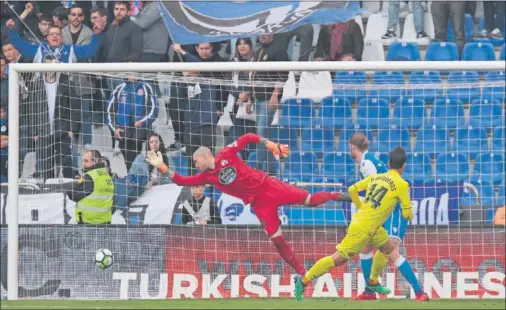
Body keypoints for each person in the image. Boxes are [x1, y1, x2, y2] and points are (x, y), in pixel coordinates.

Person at [145, 133, 350, 277]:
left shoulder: (226, 154)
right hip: (260, 204)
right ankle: (302, 273)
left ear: (204, 156)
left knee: (310, 202)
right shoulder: (208, 176)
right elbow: (181, 181)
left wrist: (270, 145)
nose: (195, 164)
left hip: (268, 186)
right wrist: (162, 167)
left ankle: (337, 195)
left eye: (196, 161)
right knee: (277, 239)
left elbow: (248, 137)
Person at [294, 147, 416, 301]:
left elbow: (352, 189)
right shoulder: (401, 183)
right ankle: (303, 280)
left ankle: (373, 283)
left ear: (389, 163)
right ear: (404, 165)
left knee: (388, 249)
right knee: (338, 259)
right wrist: (409, 213)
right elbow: (406, 214)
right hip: (362, 227)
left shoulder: (377, 178)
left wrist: (360, 204)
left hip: (372, 226)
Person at [348, 133, 429, 301]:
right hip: (383, 209)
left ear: (352, 148)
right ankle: (370, 291)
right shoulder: (368, 160)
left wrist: (363, 207)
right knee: (366, 248)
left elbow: (376, 189)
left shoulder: (366, 163)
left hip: (392, 209)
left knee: (391, 250)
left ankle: (419, 292)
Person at [106, 60, 159, 171]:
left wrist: (142, 121)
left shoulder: (146, 87)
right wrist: (115, 127)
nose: (132, 72)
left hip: (139, 128)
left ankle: (139, 176)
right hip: (122, 128)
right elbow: (109, 110)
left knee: (135, 153)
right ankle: (132, 176)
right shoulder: (120, 87)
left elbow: (154, 109)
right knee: (127, 154)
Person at [5, 19, 103, 63]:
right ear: (47, 38)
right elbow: (19, 45)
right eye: (52, 34)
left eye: (58, 34)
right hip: (42, 91)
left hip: (64, 91)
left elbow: (91, 50)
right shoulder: (39, 49)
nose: (55, 36)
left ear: (62, 38)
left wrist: (97, 35)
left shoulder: (71, 50)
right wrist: (12, 30)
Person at [62, 150, 115, 224]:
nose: (83, 164)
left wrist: (63, 187)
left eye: (86, 161)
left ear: (95, 161)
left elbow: (73, 194)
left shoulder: (90, 176)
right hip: (105, 222)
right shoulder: (107, 175)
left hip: (89, 223)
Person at [0, 104, 7, 183]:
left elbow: (13, 136)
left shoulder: (7, 123)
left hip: (4, 153)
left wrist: (3, 138)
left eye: (1, 112)